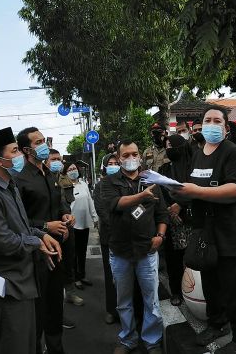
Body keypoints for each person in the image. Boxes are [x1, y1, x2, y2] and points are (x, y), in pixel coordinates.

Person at [0, 127, 63, 354]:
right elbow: (4, 241)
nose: (21, 156)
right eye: (14, 151)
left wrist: (41, 235)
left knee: (28, 344)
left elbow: (23, 228)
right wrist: (37, 243)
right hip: (7, 289)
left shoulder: (9, 187)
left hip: (24, 283)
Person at [174, 108, 236, 354]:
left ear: (226, 127)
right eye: (206, 120)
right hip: (206, 234)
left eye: (216, 121)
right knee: (212, 284)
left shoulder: (233, 153)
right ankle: (217, 324)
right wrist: (179, 197)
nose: (211, 124)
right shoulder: (199, 154)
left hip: (232, 232)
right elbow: (194, 186)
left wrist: (196, 192)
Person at [102, 140, 169, 354]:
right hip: (120, 251)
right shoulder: (109, 182)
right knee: (123, 300)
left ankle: (152, 341)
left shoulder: (152, 181)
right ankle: (128, 338)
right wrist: (141, 196)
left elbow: (162, 213)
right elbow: (115, 205)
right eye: (126, 155)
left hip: (147, 251)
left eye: (134, 153)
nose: (131, 158)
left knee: (152, 300)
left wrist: (160, 235)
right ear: (119, 157)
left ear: (140, 155)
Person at [15, 127, 73, 354]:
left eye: (44, 140)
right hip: (35, 254)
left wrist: (64, 216)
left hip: (57, 249)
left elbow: (58, 204)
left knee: (55, 304)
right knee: (37, 309)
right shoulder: (19, 180)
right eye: (38, 142)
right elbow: (18, 221)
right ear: (27, 149)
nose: (44, 145)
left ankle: (56, 347)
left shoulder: (49, 174)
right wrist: (45, 226)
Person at [158, 134, 193, 306]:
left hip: (192, 218)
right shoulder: (164, 169)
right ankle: (176, 292)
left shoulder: (193, 166)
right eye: (167, 145)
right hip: (171, 219)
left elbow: (198, 190)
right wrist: (172, 210)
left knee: (194, 257)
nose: (169, 148)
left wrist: (181, 205)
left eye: (172, 144)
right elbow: (161, 191)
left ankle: (196, 291)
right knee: (174, 260)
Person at [46, 150, 83, 310]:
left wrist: (68, 216)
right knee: (53, 263)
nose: (57, 162)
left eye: (59, 159)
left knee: (69, 260)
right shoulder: (41, 179)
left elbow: (66, 204)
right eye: (53, 159)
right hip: (48, 228)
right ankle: (54, 298)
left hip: (66, 226)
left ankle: (70, 292)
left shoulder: (65, 179)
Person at [94, 154, 120, 324]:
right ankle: (112, 310)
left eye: (115, 163)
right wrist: (118, 225)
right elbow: (101, 210)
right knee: (110, 275)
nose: (113, 166)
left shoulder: (125, 182)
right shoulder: (100, 186)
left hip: (128, 237)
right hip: (109, 237)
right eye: (109, 164)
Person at [64, 163, 98, 288]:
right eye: (70, 169)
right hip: (72, 225)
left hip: (84, 223)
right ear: (66, 172)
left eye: (74, 168)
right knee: (73, 253)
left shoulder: (83, 184)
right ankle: (74, 279)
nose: (73, 170)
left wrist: (95, 217)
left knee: (82, 251)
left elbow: (90, 201)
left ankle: (82, 275)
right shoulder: (66, 186)